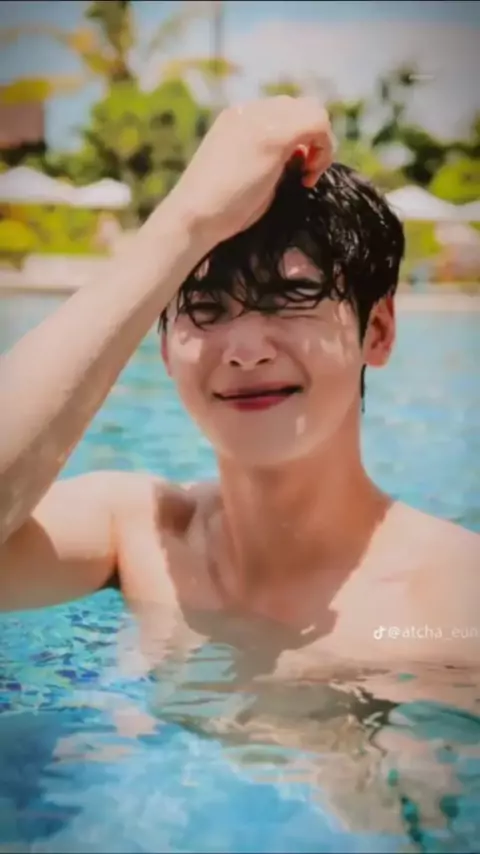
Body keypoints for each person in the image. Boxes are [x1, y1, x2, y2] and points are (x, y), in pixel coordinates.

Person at [0, 97, 479, 677]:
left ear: (376, 331)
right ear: (164, 350)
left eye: (291, 298)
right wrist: (186, 222)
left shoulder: (455, 606)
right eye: (205, 308)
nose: (245, 349)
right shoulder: (140, 535)